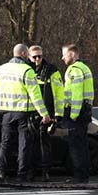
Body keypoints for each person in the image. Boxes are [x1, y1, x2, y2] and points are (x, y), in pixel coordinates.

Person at [0, 44, 51, 183]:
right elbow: (35, 95)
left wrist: (7, 88)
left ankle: (0, 171)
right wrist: (44, 114)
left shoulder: (1, 69)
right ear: (24, 54)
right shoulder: (27, 71)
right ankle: (22, 173)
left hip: (6, 111)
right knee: (23, 143)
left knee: (5, 142)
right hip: (23, 112)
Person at [28, 45, 65, 181]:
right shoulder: (26, 70)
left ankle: (45, 172)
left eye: (40, 56)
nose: (38, 59)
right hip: (30, 113)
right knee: (30, 144)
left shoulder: (51, 71)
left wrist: (57, 115)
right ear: (29, 57)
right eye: (34, 57)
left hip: (47, 114)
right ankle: (30, 171)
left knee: (45, 144)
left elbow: (59, 94)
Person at [60, 44, 95, 183]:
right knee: (83, 143)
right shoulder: (84, 68)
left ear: (72, 54)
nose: (62, 57)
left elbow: (76, 93)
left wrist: (73, 114)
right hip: (85, 110)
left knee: (76, 145)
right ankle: (84, 175)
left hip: (77, 112)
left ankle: (79, 176)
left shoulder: (74, 70)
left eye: (64, 54)